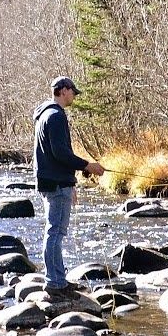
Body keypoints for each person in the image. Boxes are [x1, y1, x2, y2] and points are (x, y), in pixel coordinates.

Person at [32, 76, 103, 291]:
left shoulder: (45, 114)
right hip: (55, 184)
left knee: (54, 232)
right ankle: (55, 282)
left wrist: (70, 183)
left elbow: (54, 156)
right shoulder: (55, 116)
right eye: (72, 91)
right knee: (55, 233)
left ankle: (57, 278)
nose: (74, 95)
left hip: (53, 182)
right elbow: (61, 153)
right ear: (63, 91)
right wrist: (88, 166)